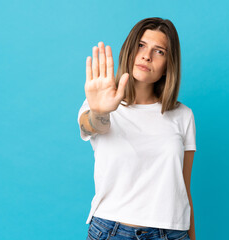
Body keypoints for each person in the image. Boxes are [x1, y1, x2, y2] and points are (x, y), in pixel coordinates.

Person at [77, 17, 197, 240]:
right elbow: (91, 124)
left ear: (167, 66)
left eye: (159, 51)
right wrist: (100, 112)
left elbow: (184, 190)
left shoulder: (183, 115)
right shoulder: (100, 104)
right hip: (112, 231)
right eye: (141, 45)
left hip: (171, 233)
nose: (146, 56)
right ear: (129, 50)